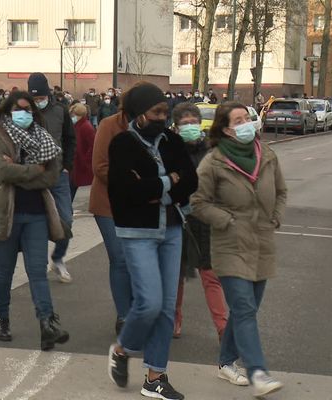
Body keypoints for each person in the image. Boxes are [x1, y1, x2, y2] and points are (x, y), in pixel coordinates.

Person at [107, 83, 197, 400]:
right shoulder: (122, 144)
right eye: (156, 112)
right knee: (149, 303)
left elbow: (190, 180)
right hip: (137, 232)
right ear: (139, 114)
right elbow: (125, 191)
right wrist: (168, 182)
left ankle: (155, 377)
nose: (163, 117)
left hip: (172, 230)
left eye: (165, 111)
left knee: (167, 308)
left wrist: (153, 187)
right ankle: (122, 349)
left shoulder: (172, 141)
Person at [190, 102, 287, 397]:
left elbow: (281, 191)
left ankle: (224, 362)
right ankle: (258, 371)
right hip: (230, 244)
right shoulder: (213, 162)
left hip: (262, 243)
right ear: (226, 129)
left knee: (247, 309)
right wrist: (226, 220)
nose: (246, 123)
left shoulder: (266, 155)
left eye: (248, 118)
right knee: (244, 308)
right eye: (238, 120)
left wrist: (276, 215)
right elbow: (197, 201)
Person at [0, 90, 69, 351]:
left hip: (36, 215)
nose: (24, 113)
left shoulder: (44, 138)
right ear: (7, 112)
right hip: (6, 213)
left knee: (37, 271)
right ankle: (1, 319)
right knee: (4, 271)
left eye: (29, 109)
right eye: (19, 109)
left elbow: (52, 176)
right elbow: (3, 171)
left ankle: (47, 324)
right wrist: (34, 170)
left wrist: (22, 172)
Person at [170, 102, 228, 342]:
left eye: (194, 122)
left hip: (204, 220)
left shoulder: (212, 150)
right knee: (176, 276)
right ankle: (173, 320)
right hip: (179, 218)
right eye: (185, 124)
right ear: (175, 127)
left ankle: (223, 328)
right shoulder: (171, 150)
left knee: (210, 275)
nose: (191, 127)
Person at [28, 73, 76, 283]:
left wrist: (67, 166)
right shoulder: (22, 112)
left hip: (58, 175)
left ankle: (58, 258)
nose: (39, 102)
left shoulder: (60, 110)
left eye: (41, 98)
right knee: (34, 223)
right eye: (35, 99)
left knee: (66, 219)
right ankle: (37, 266)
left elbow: (69, 138)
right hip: (32, 176)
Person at [89, 97, 132, 335]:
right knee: (120, 258)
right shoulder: (108, 126)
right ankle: (124, 315)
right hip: (108, 203)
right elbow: (100, 166)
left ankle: (137, 308)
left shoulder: (152, 127)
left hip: (138, 204)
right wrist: (132, 183)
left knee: (135, 259)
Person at [69, 103, 95, 201]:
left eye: (74, 115)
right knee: (70, 189)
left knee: (70, 189)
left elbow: (93, 145)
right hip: (76, 163)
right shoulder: (78, 125)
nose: (72, 117)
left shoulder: (86, 127)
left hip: (80, 163)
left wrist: (85, 159)